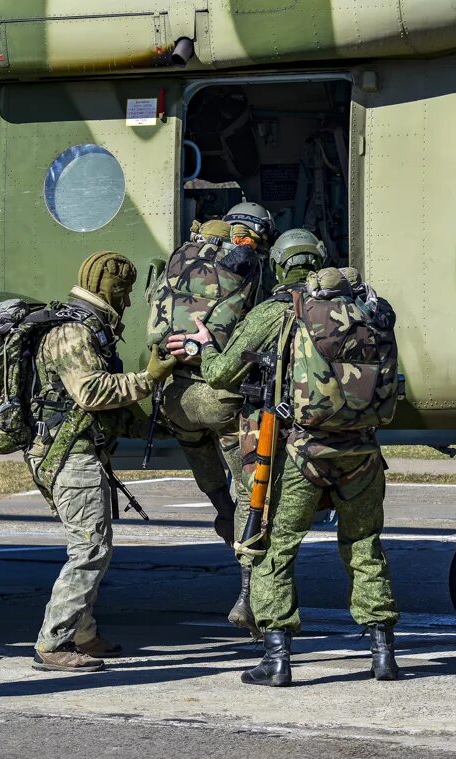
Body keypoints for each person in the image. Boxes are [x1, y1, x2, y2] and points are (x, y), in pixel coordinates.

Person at [165, 229, 401, 687]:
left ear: (278, 265)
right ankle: (383, 653)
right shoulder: (366, 308)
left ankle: (277, 659)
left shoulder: (274, 313)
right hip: (363, 450)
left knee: (277, 550)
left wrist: (202, 345)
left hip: (300, 451)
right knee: (365, 545)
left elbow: (218, 373)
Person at [28, 252, 176, 672]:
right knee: (89, 549)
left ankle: (83, 634)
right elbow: (91, 393)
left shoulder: (93, 329)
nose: (127, 301)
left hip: (79, 451)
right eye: (121, 290)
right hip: (68, 456)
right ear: (99, 284)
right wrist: (148, 379)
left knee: (93, 546)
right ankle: (53, 641)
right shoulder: (74, 332)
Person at [147, 209, 272, 638]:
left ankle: (221, 513)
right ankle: (248, 597)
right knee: (251, 493)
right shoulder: (245, 263)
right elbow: (253, 325)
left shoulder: (180, 256)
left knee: (214, 483)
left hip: (171, 398)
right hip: (217, 397)